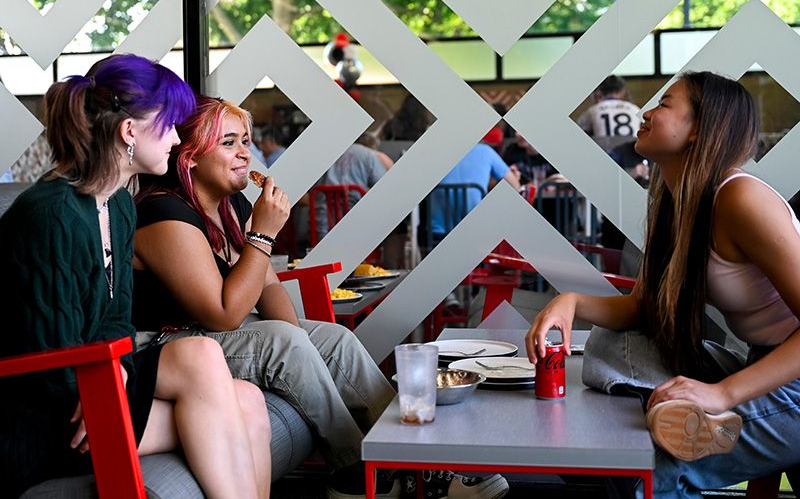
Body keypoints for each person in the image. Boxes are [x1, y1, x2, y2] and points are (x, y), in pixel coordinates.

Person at [131, 96, 507, 499]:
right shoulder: (164, 214)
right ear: (189, 157)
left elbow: (269, 285)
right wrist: (263, 235)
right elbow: (223, 314)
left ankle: (422, 460)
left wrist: (303, 349)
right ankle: (354, 473)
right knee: (287, 342)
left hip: (215, 334)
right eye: (229, 143)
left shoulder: (229, 204)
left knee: (335, 341)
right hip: (170, 344)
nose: (245, 153)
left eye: (245, 140)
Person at [0, 55, 271, 499]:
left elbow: (114, 323)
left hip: (94, 385)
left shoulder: (120, 207)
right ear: (129, 132)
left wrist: (120, 373)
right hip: (43, 417)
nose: (176, 138)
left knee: (249, 399)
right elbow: (52, 358)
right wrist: (102, 390)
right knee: (203, 358)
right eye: (169, 125)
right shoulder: (50, 214)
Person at [527, 72, 800, 498]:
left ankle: (686, 423)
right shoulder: (676, 203)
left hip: (791, 379)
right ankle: (679, 416)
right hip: (762, 362)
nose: (646, 113)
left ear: (699, 130)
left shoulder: (741, 199)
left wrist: (722, 393)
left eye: (664, 104)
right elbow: (643, 308)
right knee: (608, 342)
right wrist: (571, 302)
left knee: (653, 467)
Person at [577, 75, 642, 151]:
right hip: (631, 153)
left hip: (605, 151)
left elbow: (578, 133)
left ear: (600, 91)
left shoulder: (593, 110)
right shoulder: (634, 108)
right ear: (622, 92)